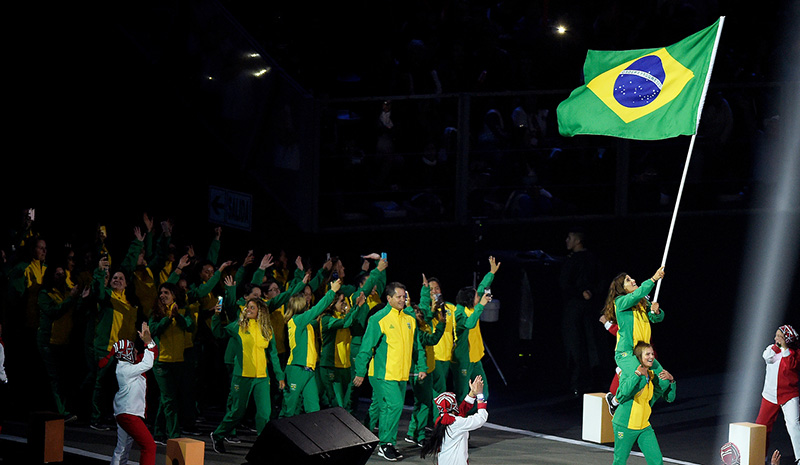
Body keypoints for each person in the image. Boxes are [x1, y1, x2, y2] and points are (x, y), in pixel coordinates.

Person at [353, 282, 426, 462]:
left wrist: (421, 366)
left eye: (404, 296)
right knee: (394, 405)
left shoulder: (409, 319)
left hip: (401, 374)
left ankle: (383, 443)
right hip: (382, 374)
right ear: (389, 298)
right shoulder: (378, 318)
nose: (403, 300)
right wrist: (360, 371)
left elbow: (416, 346)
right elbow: (366, 347)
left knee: (386, 407)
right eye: (399, 297)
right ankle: (386, 443)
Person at [209, 296, 287, 453]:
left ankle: (263, 444)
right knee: (237, 412)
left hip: (262, 378)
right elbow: (218, 333)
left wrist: (279, 376)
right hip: (242, 375)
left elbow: (272, 354)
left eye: (252, 307)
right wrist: (216, 316)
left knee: (265, 413)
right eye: (247, 307)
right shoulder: (238, 325)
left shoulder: (267, 329)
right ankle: (218, 435)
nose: (248, 310)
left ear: (260, 311)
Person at [602, 266, 666, 415]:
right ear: (621, 288)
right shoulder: (621, 301)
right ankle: (614, 401)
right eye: (628, 280)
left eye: (631, 278)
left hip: (644, 353)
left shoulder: (642, 302)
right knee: (640, 378)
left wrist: (656, 311)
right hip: (627, 353)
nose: (633, 280)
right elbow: (637, 294)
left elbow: (656, 318)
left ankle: (644, 407)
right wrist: (653, 279)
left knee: (663, 382)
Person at [279, 279, 340, 417]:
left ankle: (312, 436)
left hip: (309, 370)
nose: (308, 300)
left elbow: (318, 313)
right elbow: (316, 310)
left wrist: (331, 301)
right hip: (296, 369)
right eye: (305, 300)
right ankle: (278, 436)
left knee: (313, 407)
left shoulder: (306, 323)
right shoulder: (296, 321)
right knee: (289, 408)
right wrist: (331, 292)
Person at [100, 322, 158, 465]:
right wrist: (148, 342)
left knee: (122, 448)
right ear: (126, 354)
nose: (137, 352)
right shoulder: (125, 370)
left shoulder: (128, 365)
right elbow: (148, 363)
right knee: (149, 446)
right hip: (129, 415)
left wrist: (149, 341)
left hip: (125, 413)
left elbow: (152, 355)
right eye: (133, 350)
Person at [611, 341, 676, 465]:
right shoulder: (629, 374)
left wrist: (671, 381)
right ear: (639, 358)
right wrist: (637, 374)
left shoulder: (652, 378)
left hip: (644, 427)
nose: (651, 357)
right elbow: (621, 395)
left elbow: (669, 398)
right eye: (647, 354)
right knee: (620, 461)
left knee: (656, 461)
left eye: (652, 354)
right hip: (625, 425)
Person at [148, 282, 194, 443]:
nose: (162, 296)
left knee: (167, 397)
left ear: (174, 295)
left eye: (166, 293)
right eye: (161, 293)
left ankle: (159, 432)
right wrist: (168, 318)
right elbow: (153, 331)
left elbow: (189, 326)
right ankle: (174, 436)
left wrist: (177, 316)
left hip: (178, 361)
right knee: (169, 400)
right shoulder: (156, 312)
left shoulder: (183, 310)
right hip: (161, 363)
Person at [452, 256, 500, 403]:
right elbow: (469, 324)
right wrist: (481, 306)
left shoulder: (472, 306)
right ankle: (459, 419)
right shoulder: (459, 313)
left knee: (483, 391)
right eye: (476, 297)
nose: (479, 297)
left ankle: (476, 414)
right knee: (462, 393)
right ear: (468, 300)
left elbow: (481, 287)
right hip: (463, 360)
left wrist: (491, 272)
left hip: (476, 358)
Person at [558, 228, 601, 396]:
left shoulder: (583, 260)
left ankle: (583, 381)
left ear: (577, 240)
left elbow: (564, 283)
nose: (567, 241)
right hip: (582, 306)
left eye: (569, 237)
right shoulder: (582, 259)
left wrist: (588, 292)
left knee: (582, 343)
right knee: (583, 343)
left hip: (578, 308)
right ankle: (581, 381)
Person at [755, 324, 800, 464]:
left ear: (786, 339)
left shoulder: (795, 354)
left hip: (789, 395)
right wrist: (778, 346)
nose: (775, 338)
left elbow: (790, 365)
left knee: (794, 425)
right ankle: (761, 458)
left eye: (779, 336)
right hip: (769, 396)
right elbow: (767, 357)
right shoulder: (772, 350)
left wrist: (785, 347)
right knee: (761, 427)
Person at [420, 375, 488, 465]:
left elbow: (460, 412)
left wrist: (472, 393)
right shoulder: (458, 422)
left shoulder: (440, 421)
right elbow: (481, 418)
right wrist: (480, 396)